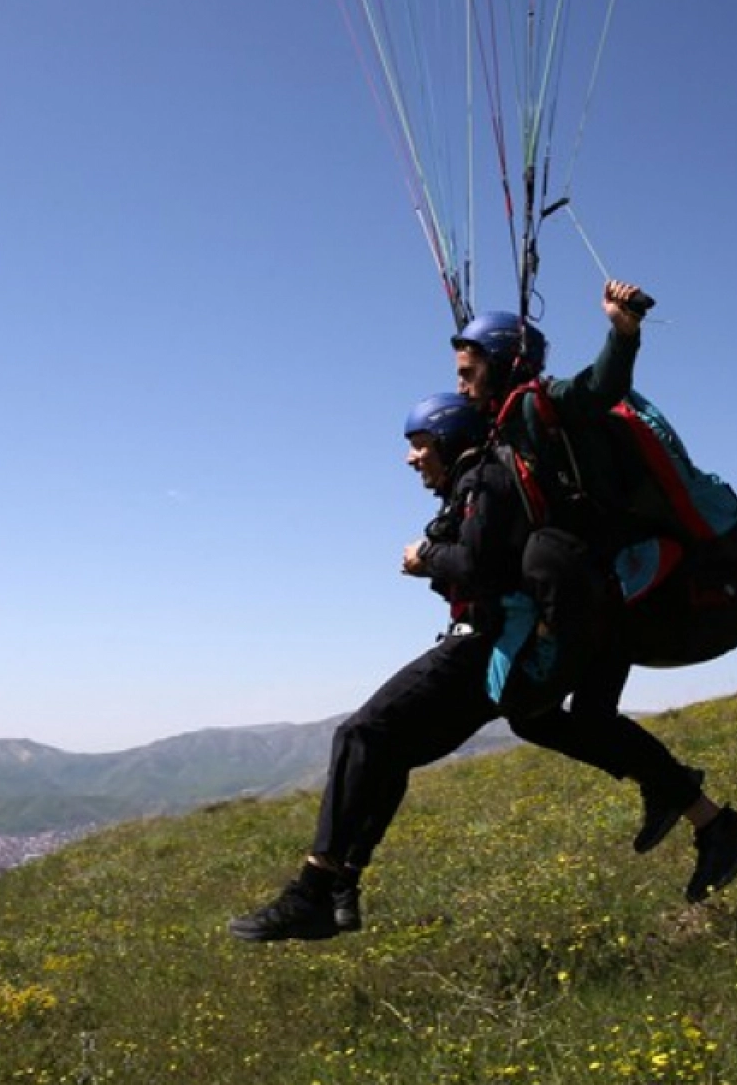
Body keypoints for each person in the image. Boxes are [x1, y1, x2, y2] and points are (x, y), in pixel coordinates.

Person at [453, 282, 737, 903]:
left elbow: (601, 387)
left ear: (503, 363)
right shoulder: (506, 432)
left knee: (539, 715)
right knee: (571, 718)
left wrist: (622, 332)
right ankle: (710, 820)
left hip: (628, 582)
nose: (462, 384)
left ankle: (696, 810)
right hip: (607, 584)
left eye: (469, 371)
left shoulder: (547, 404)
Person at [228, 392, 543, 942]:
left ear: (447, 442)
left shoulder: (484, 482)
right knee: (388, 753)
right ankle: (344, 886)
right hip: (498, 650)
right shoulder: (478, 484)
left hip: (482, 645)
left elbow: (478, 566)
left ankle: (313, 892)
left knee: (359, 734)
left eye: (420, 446)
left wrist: (426, 560)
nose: (411, 458)